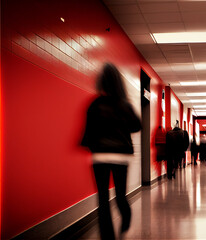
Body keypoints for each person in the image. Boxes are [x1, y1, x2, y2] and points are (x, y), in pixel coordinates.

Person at [81, 63, 141, 240]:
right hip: (121, 156)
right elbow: (137, 126)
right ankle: (126, 221)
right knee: (120, 195)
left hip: (99, 156)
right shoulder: (124, 105)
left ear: (102, 81)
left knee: (103, 199)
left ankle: (107, 237)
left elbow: (88, 133)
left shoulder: (95, 104)